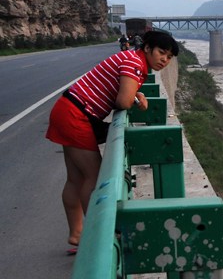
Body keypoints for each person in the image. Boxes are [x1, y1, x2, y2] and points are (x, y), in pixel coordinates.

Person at [46, 30, 180, 254]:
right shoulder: (134, 63)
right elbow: (123, 100)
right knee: (95, 176)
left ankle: (77, 235)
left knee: (76, 178)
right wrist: (134, 96)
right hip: (76, 115)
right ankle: (97, 235)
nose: (164, 60)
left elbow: (126, 91)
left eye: (169, 57)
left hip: (68, 109)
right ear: (147, 48)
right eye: (161, 53)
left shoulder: (132, 59)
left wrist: (139, 94)